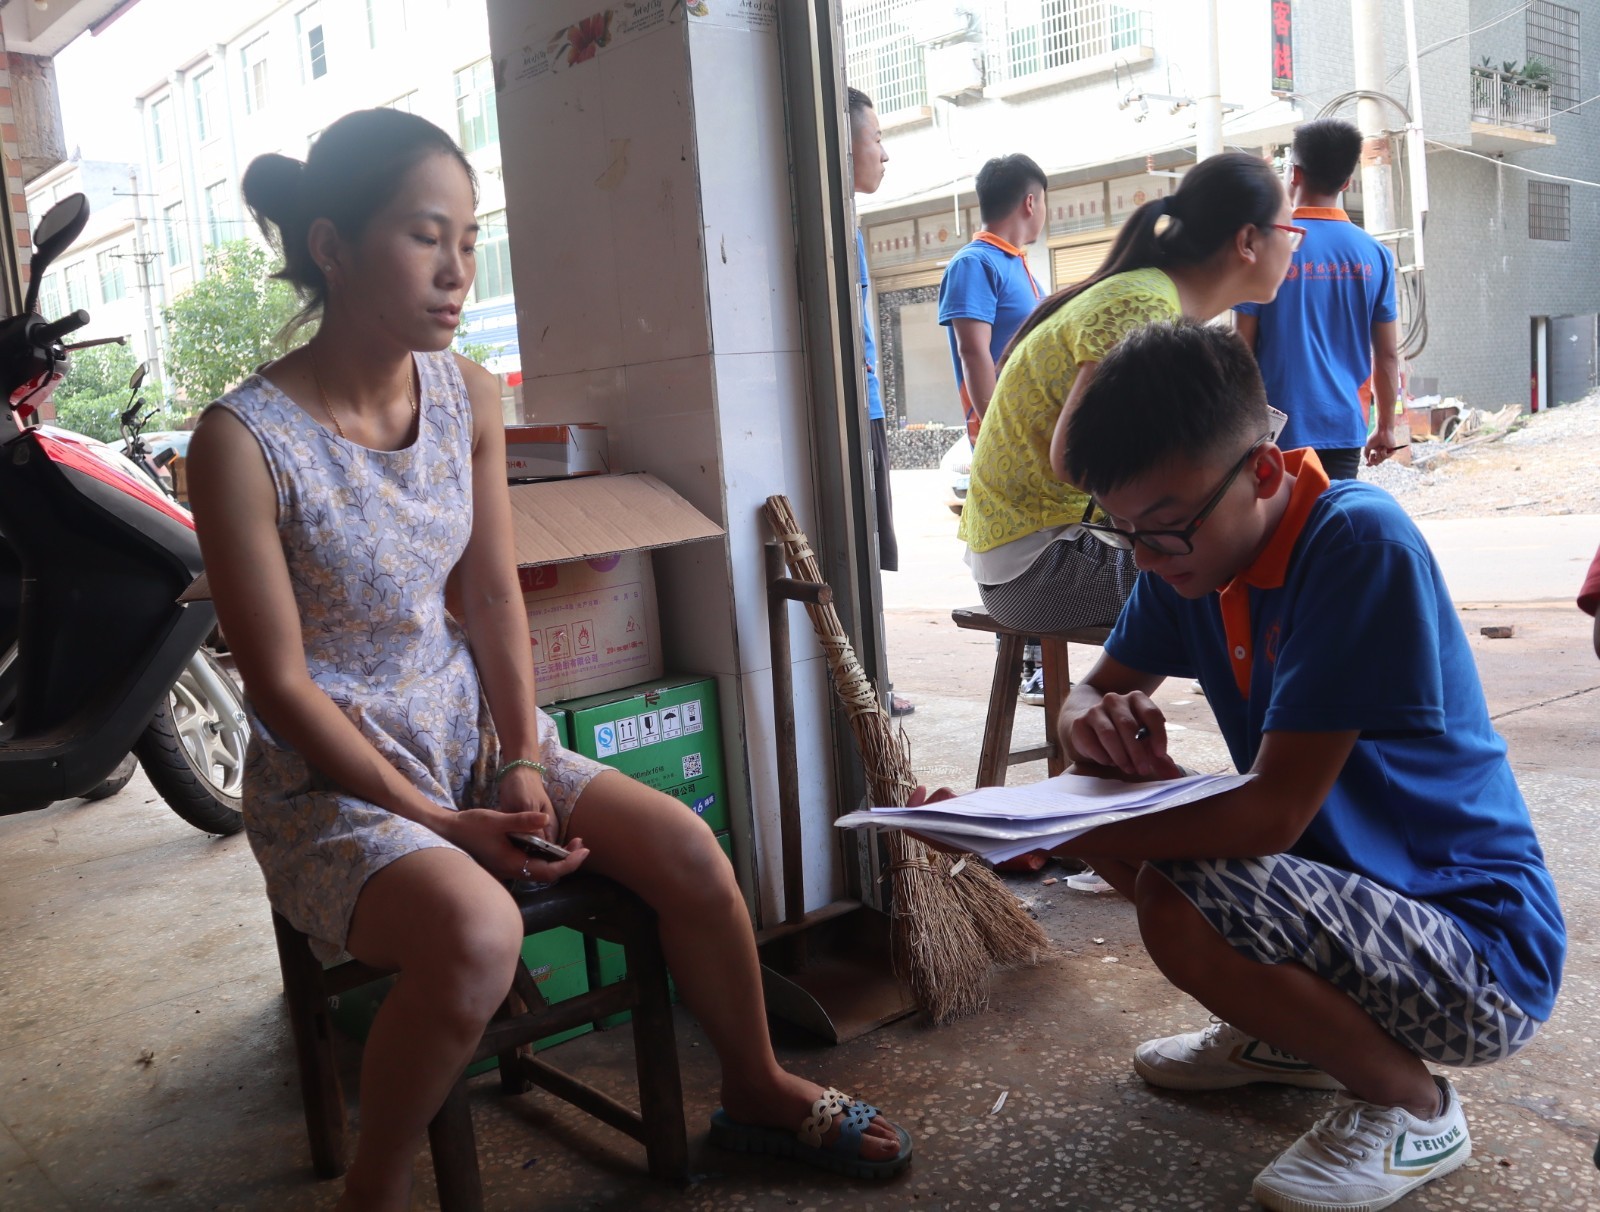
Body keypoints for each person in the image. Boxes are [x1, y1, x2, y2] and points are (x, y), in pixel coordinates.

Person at [185, 109, 911, 1211]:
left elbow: (486, 596)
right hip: (333, 782)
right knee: (476, 939)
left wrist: (522, 758)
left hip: (471, 737)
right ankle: (372, 1192)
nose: (455, 270)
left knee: (688, 853)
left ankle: (757, 1088)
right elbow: (279, 685)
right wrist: (439, 826)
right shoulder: (239, 441)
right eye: (426, 236)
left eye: (470, 239)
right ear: (331, 246)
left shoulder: (467, 394)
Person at [1055, 320, 1565, 1211]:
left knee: (1170, 892)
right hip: (1354, 906)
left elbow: (1272, 816)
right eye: (1123, 531)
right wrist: (1092, 724)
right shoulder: (1192, 559)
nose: (1144, 558)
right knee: (1103, 788)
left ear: (1260, 471)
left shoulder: (1355, 545)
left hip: (1478, 950)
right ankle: (1289, 1038)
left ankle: (1414, 1107)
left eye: (1164, 531)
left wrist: (1064, 820)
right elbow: (1081, 693)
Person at [957, 152, 1298, 639]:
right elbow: (1074, 460)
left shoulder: (1152, 296)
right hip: (1043, 567)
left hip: (1045, 553)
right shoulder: (1143, 306)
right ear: (1247, 240)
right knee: (1253, 562)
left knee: (1255, 551)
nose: (1294, 248)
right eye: (1289, 232)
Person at [1233, 118, 1402, 480]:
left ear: (1294, 173)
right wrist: (1386, 426)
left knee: (1281, 534)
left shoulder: (1263, 246)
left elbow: (1240, 350)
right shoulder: (1376, 255)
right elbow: (1387, 354)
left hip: (1273, 430)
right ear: (1346, 182)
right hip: (1342, 425)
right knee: (1331, 530)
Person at [938, 153, 1048, 704]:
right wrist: (998, 428)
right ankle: (1033, 668)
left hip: (1032, 433)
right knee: (1020, 542)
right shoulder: (975, 263)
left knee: (1042, 537)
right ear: (1032, 201)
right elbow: (972, 349)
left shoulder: (1019, 265)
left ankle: (1042, 659)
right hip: (1008, 437)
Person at [848, 86, 911, 715]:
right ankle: (868, 682)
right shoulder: (829, 227)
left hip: (865, 408)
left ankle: (876, 678)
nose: (884, 153)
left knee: (869, 548)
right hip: (850, 412)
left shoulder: (852, 227)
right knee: (857, 548)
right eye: (877, 138)